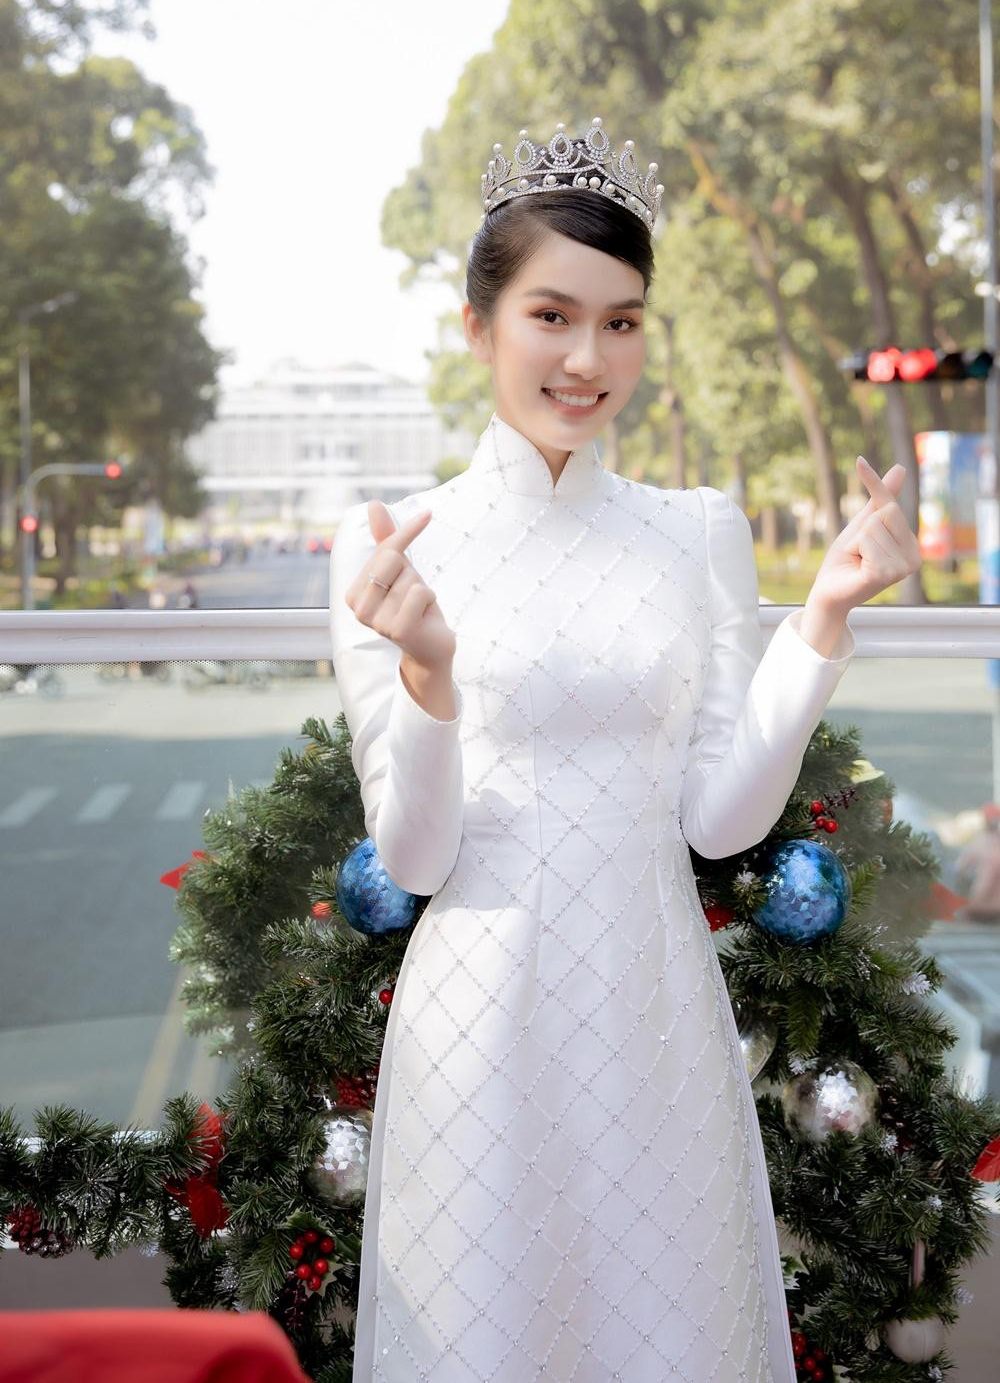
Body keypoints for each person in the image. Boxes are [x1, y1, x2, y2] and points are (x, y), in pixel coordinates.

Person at [329, 117, 921, 1383]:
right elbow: (414, 861)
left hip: (653, 1012)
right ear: (479, 325)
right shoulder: (390, 545)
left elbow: (719, 824)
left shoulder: (694, 530)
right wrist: (427, 673)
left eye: (622, 321)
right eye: (551, 316)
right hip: (477, 1023)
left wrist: (821, 621)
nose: (587, 358)